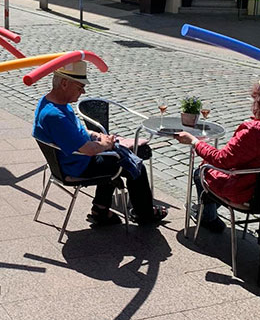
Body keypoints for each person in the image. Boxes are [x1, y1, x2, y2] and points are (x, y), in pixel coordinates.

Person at [33, 61, 167, 227]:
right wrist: (106, 144)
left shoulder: (50, 103)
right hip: (77, 166)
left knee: (122, 156)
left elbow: (76, 131)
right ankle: (145, 213)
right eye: (80, 86)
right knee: (134, 164)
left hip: (70, 161)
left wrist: (95, 135)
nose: (83, 91)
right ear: (65, 83)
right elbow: (89, 150)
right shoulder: (55, 116)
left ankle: (101, 209)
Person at [174, 73, 260, 233]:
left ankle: (209, 219)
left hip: (248, 192)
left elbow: (222, 160)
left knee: (201, 172)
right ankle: (208, 212)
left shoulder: (255, 131)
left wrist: (194, 141)